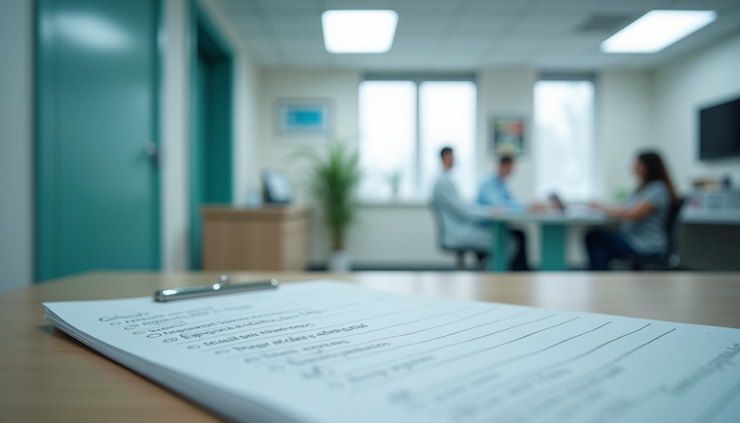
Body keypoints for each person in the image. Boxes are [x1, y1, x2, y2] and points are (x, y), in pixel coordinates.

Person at [432, 147, 528, 270]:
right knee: (508, 243)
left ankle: (492, 274)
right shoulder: (442, 182)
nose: (455, 159)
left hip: (463, 227)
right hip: (458, 233)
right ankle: (491, 278)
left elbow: (463, 206)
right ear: (446, 157)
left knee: (514, 236)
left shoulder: (446, 180)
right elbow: (463, 210)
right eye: (453, 156)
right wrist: (488, 211)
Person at [585, 151, 678, 271]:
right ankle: (601, 280)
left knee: (593, 236)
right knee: (600, 249)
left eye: (638, 164)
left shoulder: (658, 189)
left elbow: (632, 214)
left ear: (648, 167)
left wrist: (602, 207)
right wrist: (603, 206)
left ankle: (600, 279)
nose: (633, 166)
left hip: (646, 245)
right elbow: (624, 208)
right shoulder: (640, 189)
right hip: (633, 239)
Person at [477, 156, 543, 270]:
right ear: (504, 166)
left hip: (498, 225)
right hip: (487, 227)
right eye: (511, 167)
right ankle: (511, 270)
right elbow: (499, 207)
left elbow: (510, 202)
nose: (513, 171)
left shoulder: (502, 182)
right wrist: (526, 208)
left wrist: (528, 206)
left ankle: (521, 272)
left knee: (521, 234)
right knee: (516, 238)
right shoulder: (488, 183)